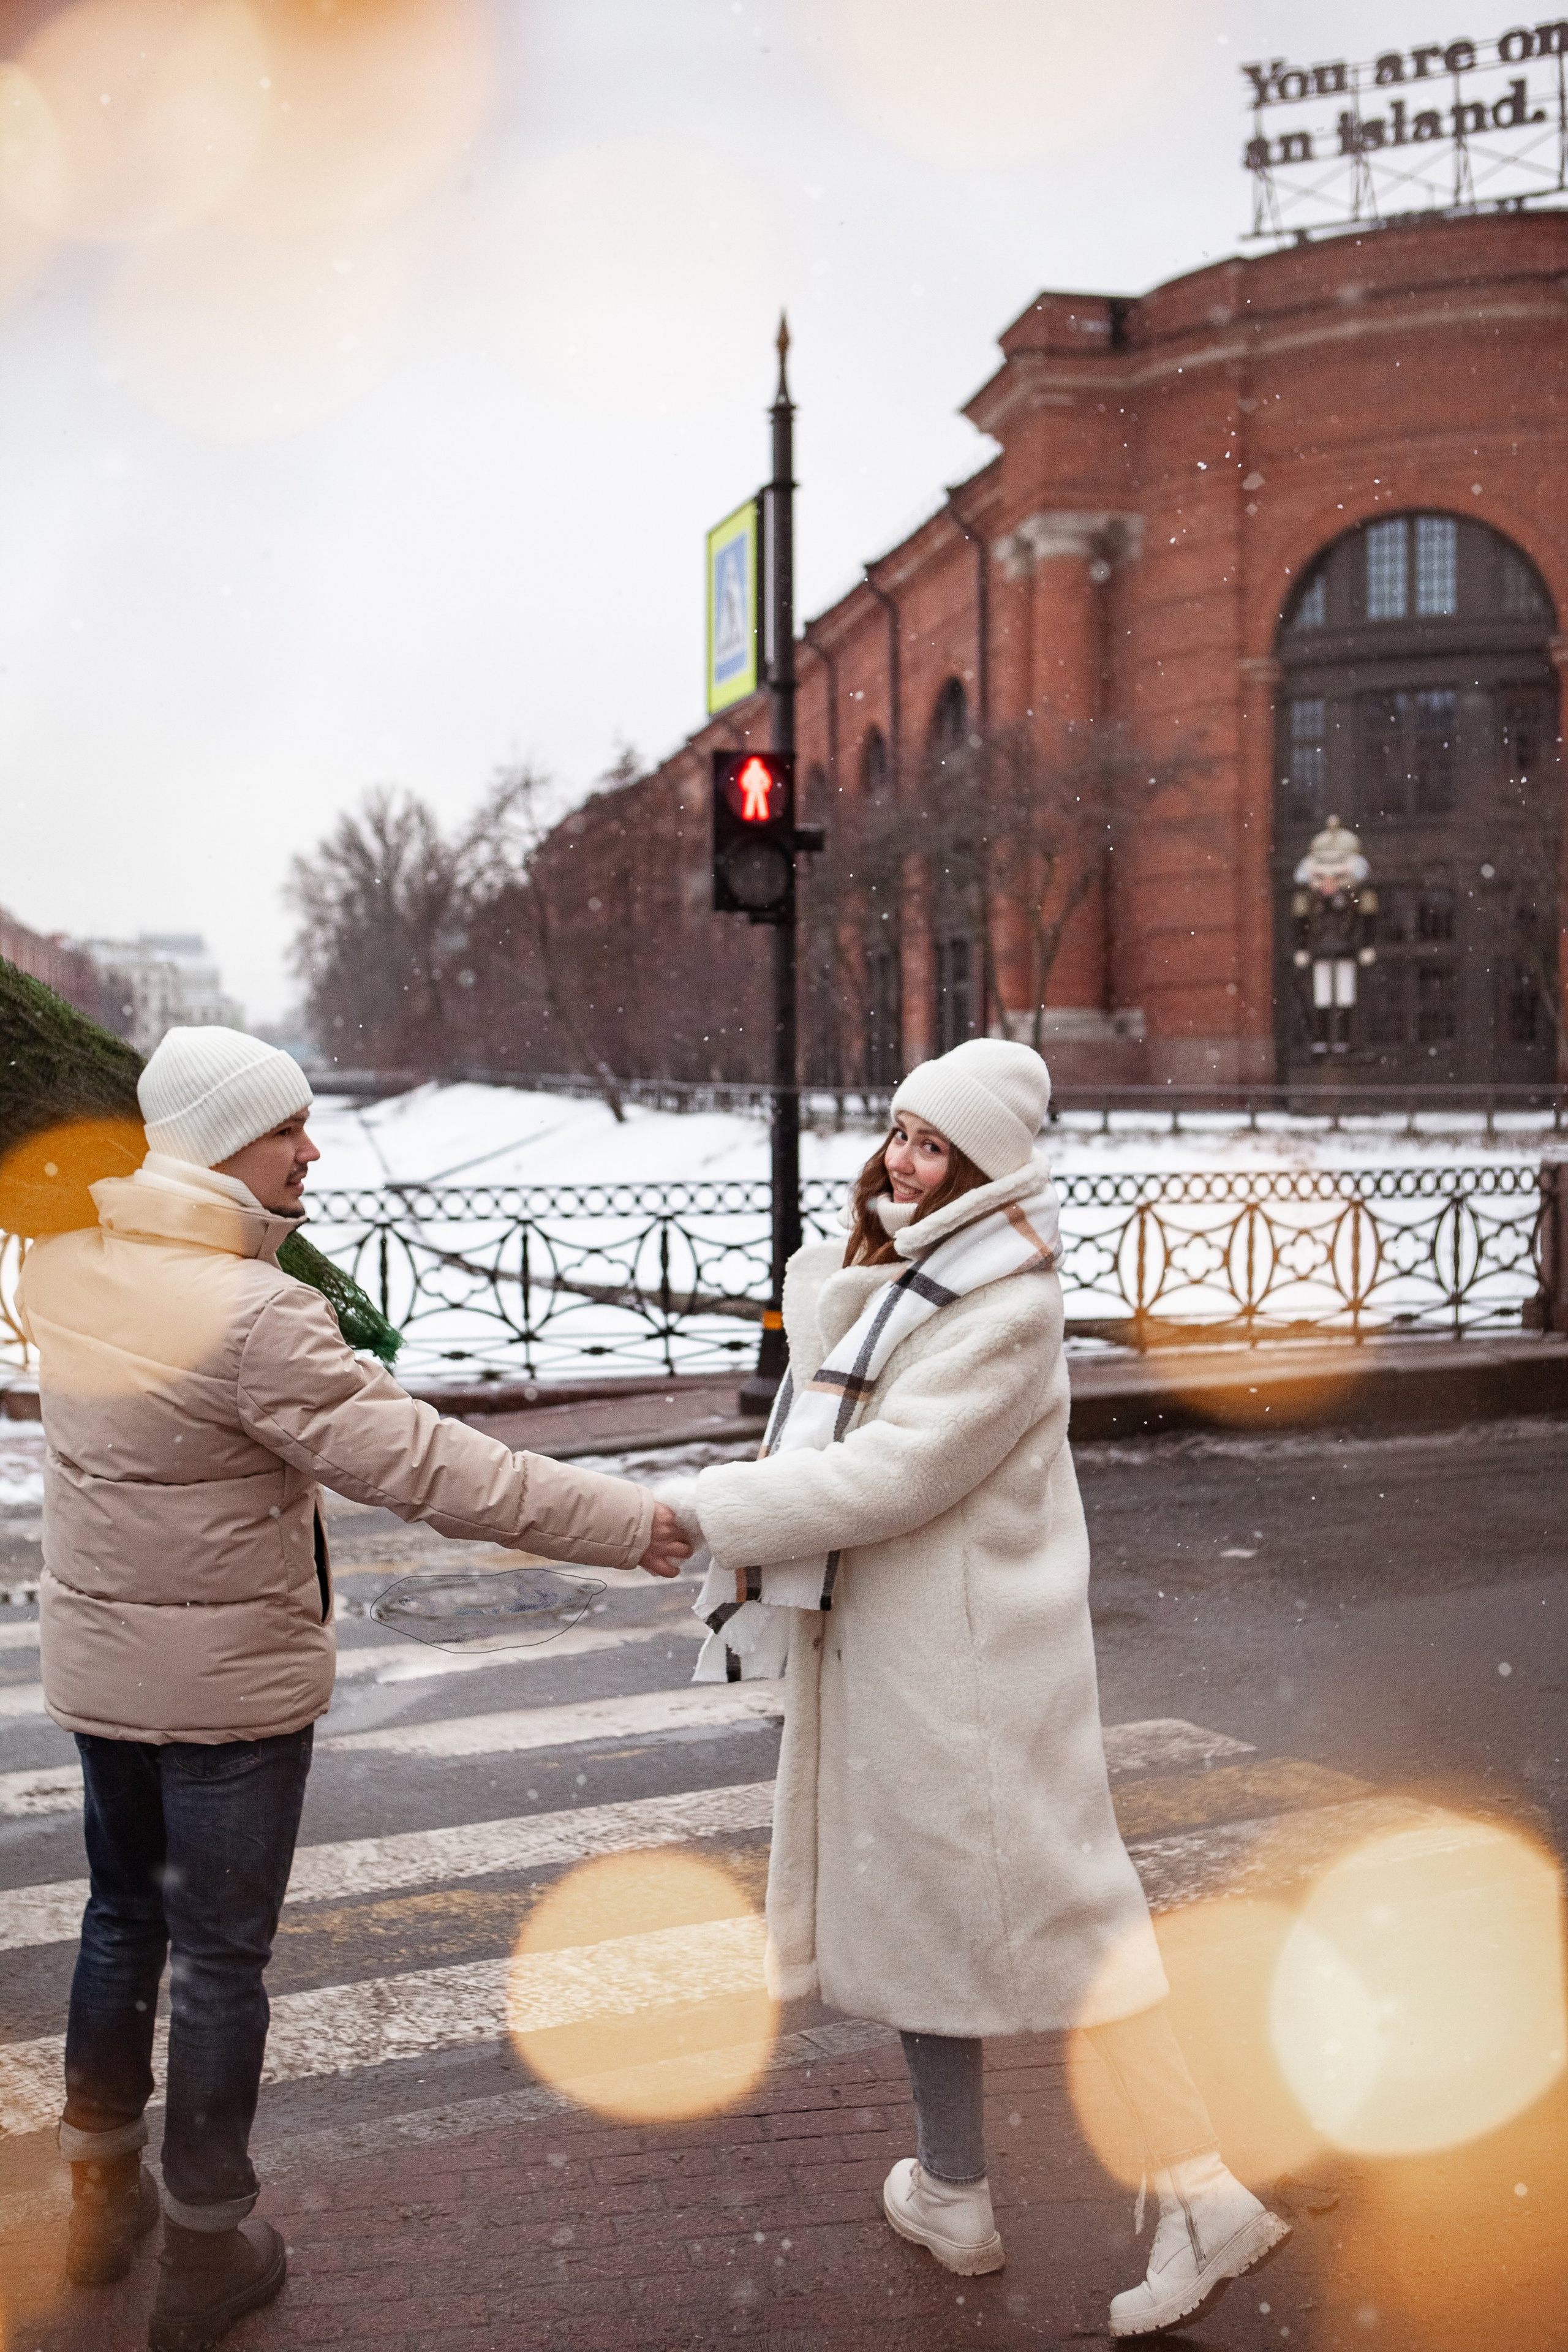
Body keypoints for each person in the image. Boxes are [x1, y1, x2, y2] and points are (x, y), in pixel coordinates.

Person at [17, 1027, 689, 2352]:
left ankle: (98, 2200)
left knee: (118, 1926)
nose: (312, 1148)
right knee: (217, 1962)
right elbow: (437, 1472)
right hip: (227, 1701)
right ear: (220, 1145)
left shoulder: (64, 1270)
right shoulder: (258, 1317)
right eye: (287, 1130)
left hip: (102, 1677)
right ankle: (207, 2252)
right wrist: (629, 1524)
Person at [668, 1039, 1287, 2339]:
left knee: (1076, 1939)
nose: (899, 1159)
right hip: (911, 1666)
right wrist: (850, 1274)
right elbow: (848, 1418)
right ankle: (950, 2191)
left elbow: (892, 1472)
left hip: (977, 1680)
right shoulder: (915, 1277)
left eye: (929, 1144)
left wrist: (698, 1509)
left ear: (982, 1166)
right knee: (920, 1926)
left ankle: (1205, 2198)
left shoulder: (1001, 1299)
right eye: (896, 1131)